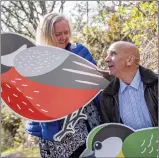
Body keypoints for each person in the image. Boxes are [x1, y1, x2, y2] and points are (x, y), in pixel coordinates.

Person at [25, 12, 101, 158]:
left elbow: (97, 82)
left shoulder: (79, 51)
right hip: (58, 132)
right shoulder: (36, 63)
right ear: (46, 35)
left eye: (66, 32)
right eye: (58, 34)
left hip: (87, 123)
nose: (63, 37)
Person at [100, 41, 158, 130]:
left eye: (113, 54)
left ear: (130, 60)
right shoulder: (108, 96)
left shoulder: (156, 84)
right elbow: (112, 134)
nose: (106, 59)